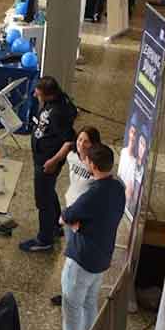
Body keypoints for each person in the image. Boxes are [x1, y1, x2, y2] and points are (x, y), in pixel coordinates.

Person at [38, 143, 126, 330]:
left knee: (72, 306)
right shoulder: (118, 186)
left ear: (93, 166)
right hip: (101, 257)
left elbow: (65, 215)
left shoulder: (93, 193)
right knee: (89, 304)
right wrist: (77, 223)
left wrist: (75, 223)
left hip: (81, 259)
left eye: (87, 161)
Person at [21, 76, 78, 253]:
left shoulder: (59, 112)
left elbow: (69, 142)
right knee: (48, 191)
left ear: (48, 94)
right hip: (42, 157)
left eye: (38, 92)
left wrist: (53, 162)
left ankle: (44, 239)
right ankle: (54, 225)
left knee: (43, 201)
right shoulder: (52, 101)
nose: (35, 94)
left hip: (47, 161)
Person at [51, 126, 103, 308]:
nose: (82, 144)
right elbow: (67, 148)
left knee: (76, 254)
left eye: (87, 141)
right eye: (80, 140)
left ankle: (74, 294)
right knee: (69, 251)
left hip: (82, 214)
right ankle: (67, 291)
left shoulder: (94, 164)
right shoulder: (72, 156)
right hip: (69, 209)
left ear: (94, 144)